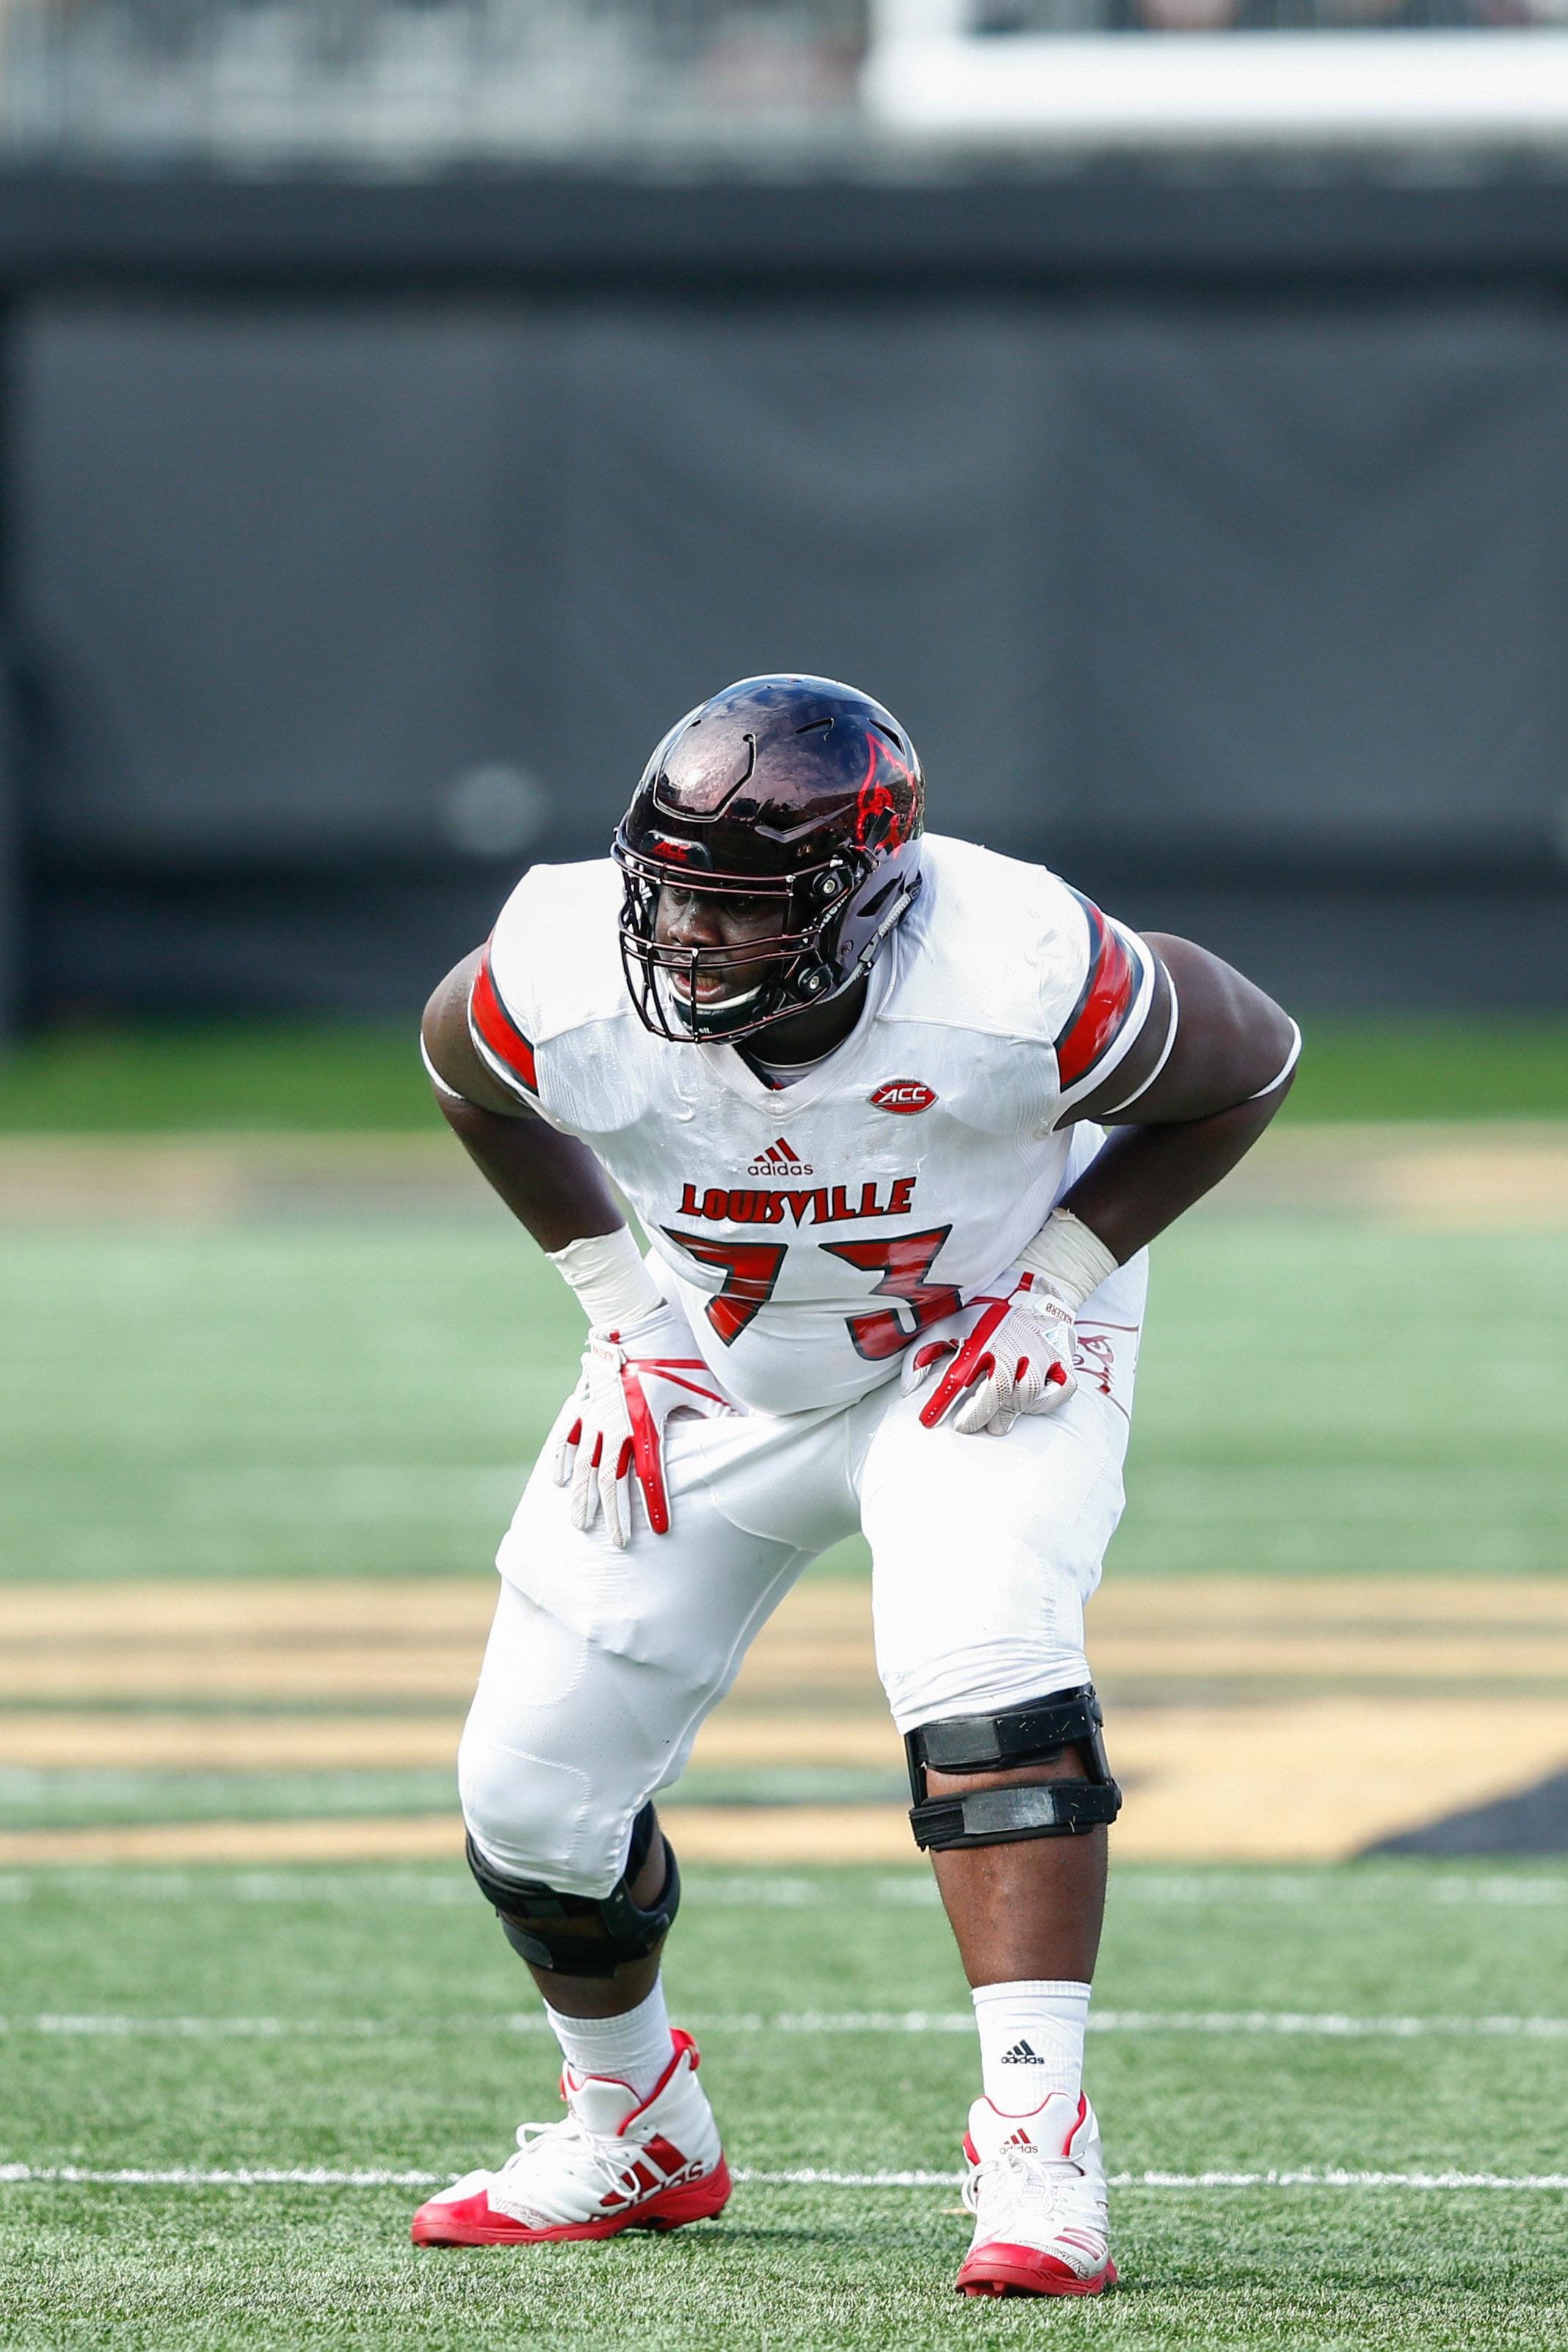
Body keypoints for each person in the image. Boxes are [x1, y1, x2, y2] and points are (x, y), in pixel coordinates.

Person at [411, 675, 1298, 2297]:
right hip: (709, 1357)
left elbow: (1250, 1058)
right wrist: (618, 1312)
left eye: (744, 912)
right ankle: (636, 2124)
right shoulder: (555, 969)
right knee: (529, 1798)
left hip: (979, 1339)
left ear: (871, 903)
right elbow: (464, 1067)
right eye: (670, 895)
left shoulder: (1018, 967)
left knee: (986, 1679)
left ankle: (1036, 2147)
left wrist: (1068, 1268)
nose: (689, 939)